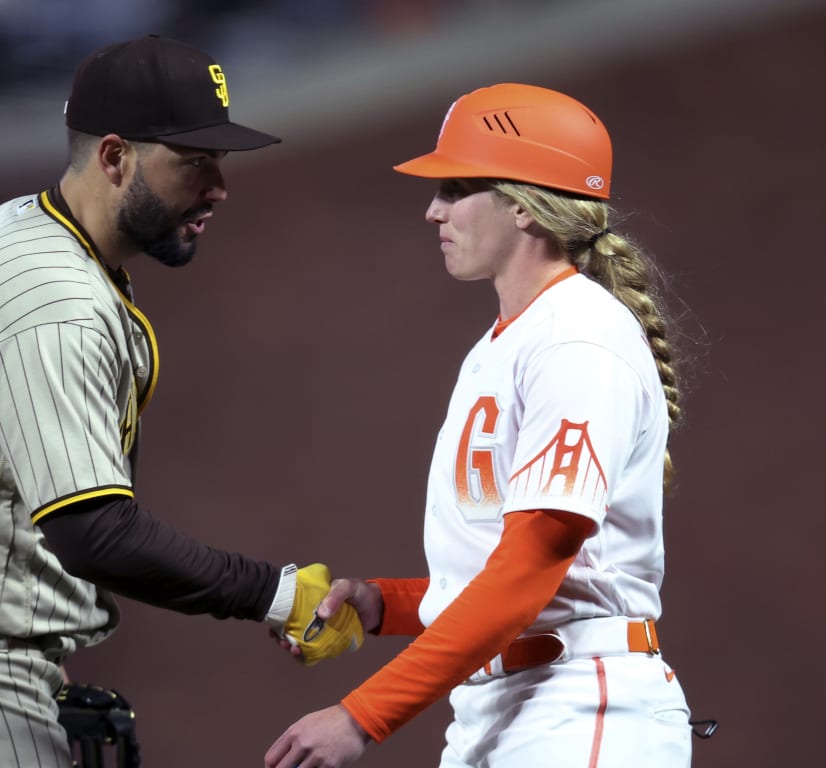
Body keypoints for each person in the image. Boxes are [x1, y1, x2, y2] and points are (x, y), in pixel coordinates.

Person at [0, 34, 360, 768]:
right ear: (115, 158)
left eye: (220, 161)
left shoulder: (23, 225)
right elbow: (94, 532)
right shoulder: (55, 300)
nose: (218, 188)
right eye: (193, 162)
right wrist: (273, 593)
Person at [265, 83, 694, 768]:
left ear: (523, 205)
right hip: (507, 709)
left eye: (456, 187)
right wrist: (384, 605)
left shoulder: (576, 336)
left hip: (579, 705)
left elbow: (530, 572)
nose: (434, 209)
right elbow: (510, 569)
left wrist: (361, 715)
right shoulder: (509, 340)